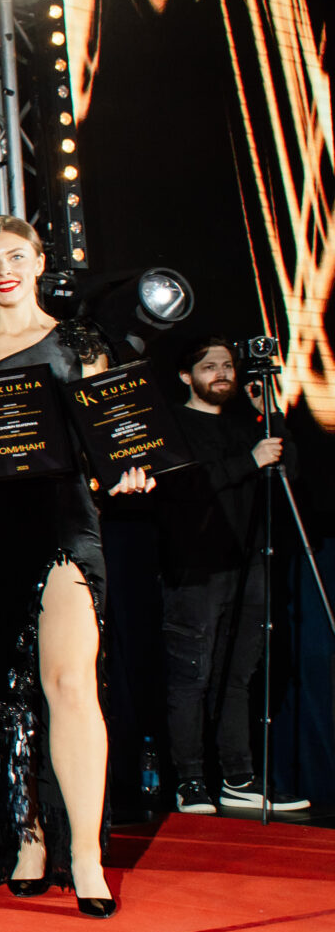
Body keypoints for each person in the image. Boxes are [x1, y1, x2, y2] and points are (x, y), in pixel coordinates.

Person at [0, 215, 155, 919]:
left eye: (15, 256)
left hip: (63, 516)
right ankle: (26, 839)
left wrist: (129, 468)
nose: (3, 269)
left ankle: (86, 855)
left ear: (38, 263)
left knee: (70, 681)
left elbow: (111, 434)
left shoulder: (79, 341)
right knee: (5, 692)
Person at [156, 336, 307, 814]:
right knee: (192, 677)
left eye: (227, 365)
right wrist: (248, 461)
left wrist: (270, 414)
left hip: (250, 565)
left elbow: (290, 472)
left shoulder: (245, 426)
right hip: (195, 569)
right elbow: (180, 487)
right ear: (186, 376)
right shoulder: (171, 423)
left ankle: (238, 777)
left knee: (237, 675)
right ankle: (190, 780)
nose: (222, 373)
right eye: (209, 366)